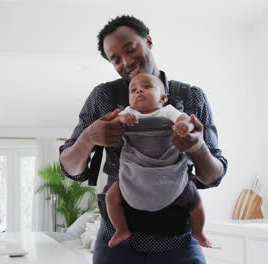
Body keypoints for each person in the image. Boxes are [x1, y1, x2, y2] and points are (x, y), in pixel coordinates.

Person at [59, 15, 227, 264]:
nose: (127, 62)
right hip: (117, 244)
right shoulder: (103, 96)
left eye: (131, 48)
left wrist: (198, 147)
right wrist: (88, 138)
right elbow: (71, 169)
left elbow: (214, 176)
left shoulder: (190, 97)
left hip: (179, 242)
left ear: (148, 41)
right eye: (115, 59)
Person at [106, 73, 211, 249]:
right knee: (112, 196)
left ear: (163, 98)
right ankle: (121, 229)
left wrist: (185, 125)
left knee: (193, 197)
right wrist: (121, 119)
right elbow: (113, 124)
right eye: (133, 90)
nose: (139, 90)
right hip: (135, 171)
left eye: (147, 87)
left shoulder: (167, 111)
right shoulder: (129, 112)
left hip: (169, 170)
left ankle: (198, 231)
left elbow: (187, 119)